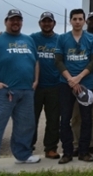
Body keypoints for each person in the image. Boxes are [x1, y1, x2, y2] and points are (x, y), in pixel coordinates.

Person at [0, 9, 41, 171]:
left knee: (25, 125)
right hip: (3, 91)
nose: (15, 23)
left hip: (26, 91)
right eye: (12, 20)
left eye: (18, 20)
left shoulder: (28, 40)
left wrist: (35, 81)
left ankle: (23, 155)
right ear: (6, 22)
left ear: (22, 22)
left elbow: (35, 62)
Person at [55, 9, 93, 164]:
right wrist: (70, 80)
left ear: (84, 21)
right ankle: (67, 152)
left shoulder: (92, 39)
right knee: (65, 118)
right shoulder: (62, 38)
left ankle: (84, 152)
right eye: (75, 19)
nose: (78, 21)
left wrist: (79, 78)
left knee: (87, 119)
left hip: (86, 83)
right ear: (70, 21)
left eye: (80, 19)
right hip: (66, 83)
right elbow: (59, 60)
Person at [30, 12, 61, 159]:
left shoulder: (60, 40)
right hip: (35, 86)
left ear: (54, 23)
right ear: (40, 23)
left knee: (53, 120)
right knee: (31, 119)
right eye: (44, 21)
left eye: (50, 21)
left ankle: (50, 148)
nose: (47, 24)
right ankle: (28, 147)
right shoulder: (32, 39)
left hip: (55, 85)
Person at [72, 12, 93, 156]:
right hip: (77, 83)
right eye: (91, 20)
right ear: (86, 21)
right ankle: (77, 144)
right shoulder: (77, 37)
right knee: (76, 116)